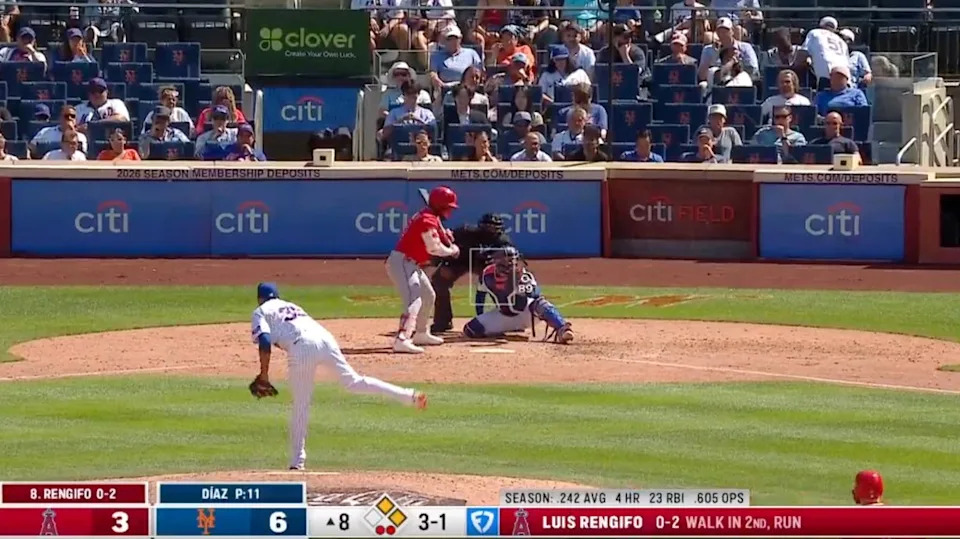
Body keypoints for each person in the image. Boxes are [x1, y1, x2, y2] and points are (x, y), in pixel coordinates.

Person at [247, 282, 427, 471]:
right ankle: (409, 396)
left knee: (301, 405)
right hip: (326, 339)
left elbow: (265, 341)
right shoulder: (292, 306)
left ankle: (297, 462)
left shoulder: (260, 312)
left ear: (259, 298)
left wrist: (264, 374)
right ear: (277, 295)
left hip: (302, 346)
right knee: (354, 382)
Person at [386, 185, 461, 354]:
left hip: (411, 264)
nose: (450, 211)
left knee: (428, 295)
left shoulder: (430, 217)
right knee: (414, 300)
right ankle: (402, 339)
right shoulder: (427, 219)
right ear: (440, 206)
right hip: (402, 262)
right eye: (448, 208)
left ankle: (420, 333)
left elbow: (437, 237)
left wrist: (445, 236)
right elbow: (434, 249)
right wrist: (452, 250)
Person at [463, 247, 574, 343]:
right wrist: (480, 316)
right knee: (471, 329)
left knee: (540, 303)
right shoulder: (487, 276)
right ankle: (507, 329)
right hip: (503, 315)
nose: (510, 264)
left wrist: (521, 288)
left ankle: (562, 328)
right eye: (506, 261)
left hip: (525, 315)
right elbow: (480, 295)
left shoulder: (524, 275)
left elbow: (535, 295)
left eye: (512, 260)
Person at [430, 213, 515, 333]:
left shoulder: (503, 241)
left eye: (493, 228)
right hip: (460, 260)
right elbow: (446, 239)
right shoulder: (466, 232)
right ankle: (443, 321)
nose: (489, 230)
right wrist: (442, 255)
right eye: (487, 227)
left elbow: (510, 261)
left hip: (485, 265)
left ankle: (507, 318)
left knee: (500, 280)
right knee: (439, 280)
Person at [698, 17, 758, 82]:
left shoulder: (745, 47)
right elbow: (701, 76)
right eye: (719, 31)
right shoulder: (708, 50)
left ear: (732, 31)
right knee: (703, 85)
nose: (722, 34)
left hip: (739, 82)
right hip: (716, 83)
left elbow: (753, 69)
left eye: (725, 31)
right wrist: (715, 55)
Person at [796, 16, 849, 86]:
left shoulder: (815, 32)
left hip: (826, 73)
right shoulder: (841, 41)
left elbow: (803, 53)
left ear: (821, 25)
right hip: (844, 74)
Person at [429, 25, 482, 91]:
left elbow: (479, 71)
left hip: (468, 89)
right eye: (449, 39)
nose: (452, 41)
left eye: (455, 38)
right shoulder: (436, 55)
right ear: (444, 40)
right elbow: (433, 73)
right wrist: (438, 82)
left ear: (460, 38)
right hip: (445, 88)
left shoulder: (471, 53)